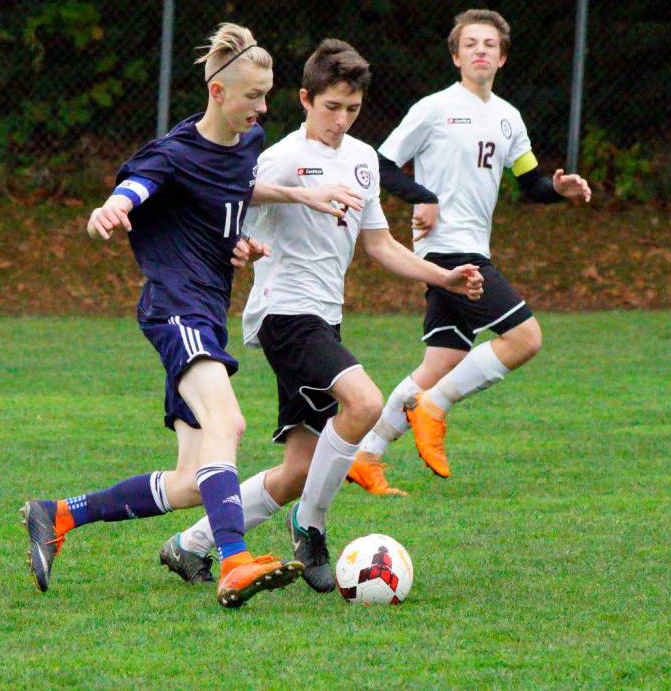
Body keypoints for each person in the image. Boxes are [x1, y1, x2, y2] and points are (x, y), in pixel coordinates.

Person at [20, 23, 341, 608]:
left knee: (195, 480)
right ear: (218, 93)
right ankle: (235, 562)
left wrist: (281, 210)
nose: (261, 108)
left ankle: (58, 514)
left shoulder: (246, 142)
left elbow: (238, 188)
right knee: (230, 425)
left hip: (206, 312)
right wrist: (112, 208)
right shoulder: (174, 152)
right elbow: (138, 187)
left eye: (266, 96)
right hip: (175, 307)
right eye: (251, 96)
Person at [158, 39, 484, 592]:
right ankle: (310, 527)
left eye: (352, 109)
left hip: (323, 320)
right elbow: (231, 205)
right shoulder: (281, 157)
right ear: (305, 99)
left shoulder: (362, 160)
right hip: (284, 316)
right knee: (365, 402)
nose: (340, 119)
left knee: (298, 472)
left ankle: (188, 544)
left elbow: (380, 245)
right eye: (331, 107)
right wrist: (243, 246)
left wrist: (443, 276)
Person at [345, 9, 591, 497]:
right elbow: (381, 162)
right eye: (471, 43)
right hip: (444, 251)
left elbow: (530, 182)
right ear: (456, 56)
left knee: (441, 361)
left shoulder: (508, 117)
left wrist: (557, 189)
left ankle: (366, 457)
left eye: (490, 44)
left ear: (502, 57)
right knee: (524, 339)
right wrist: (424, 197)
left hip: (474, 247)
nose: (481, 50)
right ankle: (431, 408)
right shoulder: (434, 108)